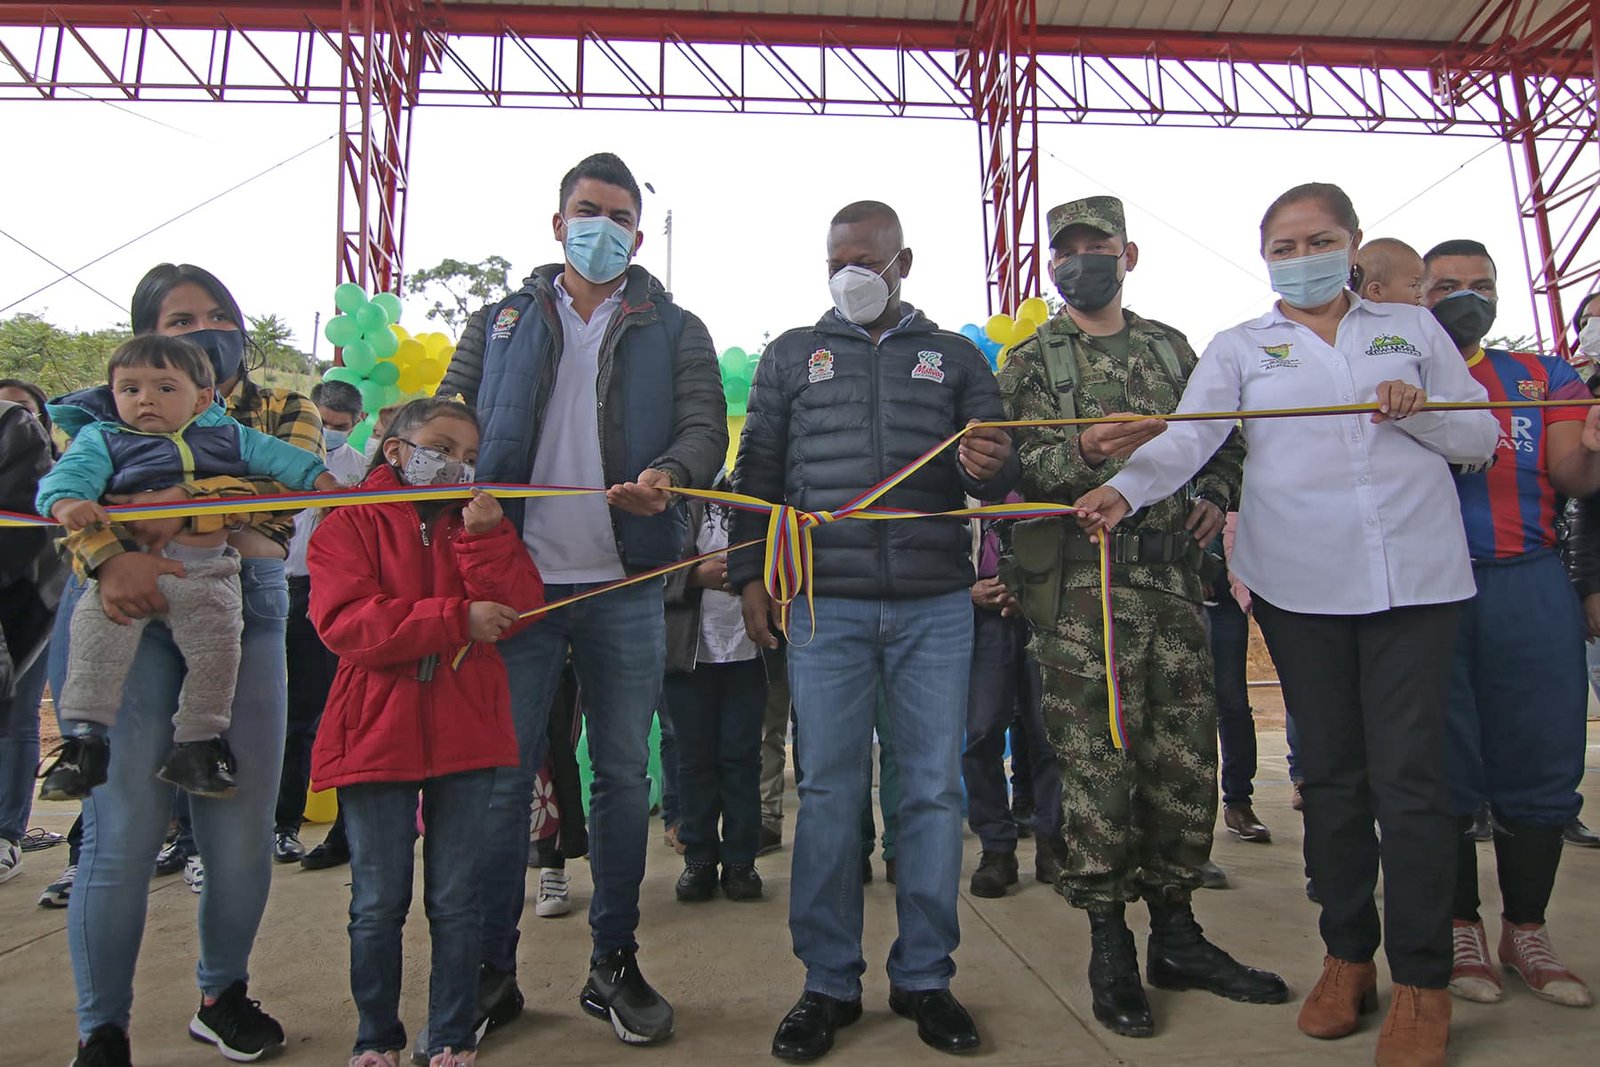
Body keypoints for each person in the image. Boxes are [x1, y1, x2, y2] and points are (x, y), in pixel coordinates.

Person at [1074, 182, 1499, 1067]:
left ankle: (1422, 980)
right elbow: (1189, 437)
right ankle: (1348, 958)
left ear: (1352, 244)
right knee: (1333, 780)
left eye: (1320, 240)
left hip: (1417, 584)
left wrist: (1422, 412)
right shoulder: (1242, 346)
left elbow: (1480, 439)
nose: (1302, 257)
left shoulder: (1411, 331)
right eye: (1285, 245)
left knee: (1413, 783)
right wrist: (1122, 490)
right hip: (1303, 589)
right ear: (1265, 256)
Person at [434, 151, 726, 1049]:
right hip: (513, 586)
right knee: (503, 778)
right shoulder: (499, 322)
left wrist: (669, 474)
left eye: (621, 216)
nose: (604, 228)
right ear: (559, 223)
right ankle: (493, 968)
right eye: (588, 211)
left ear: (637, 234)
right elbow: (445, 422)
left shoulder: (676, 328)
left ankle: (615, 960)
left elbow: (704, 428)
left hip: (625, 581)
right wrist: (442, 471)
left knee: (624, 776)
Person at [731, 200, 1016, 1061]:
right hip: (827, 605)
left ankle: (925, 975)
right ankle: (828, 982)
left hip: (936, 605)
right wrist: (749, 574)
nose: (849, 274)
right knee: (827, 791)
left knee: (930, 791)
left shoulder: (956, 357)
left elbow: (999, 473)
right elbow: (758, 470)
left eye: (865, 259)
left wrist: (992, 465)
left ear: (903, 263)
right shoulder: (792, 356)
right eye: (836, 261)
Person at [998, 194, 1280, 1041]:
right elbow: (1007, 468)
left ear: (1129, 254)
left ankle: (1178, 933)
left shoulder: (1172, 348)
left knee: (1183, 759)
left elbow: (1223, 436)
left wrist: (1217, 492)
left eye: (1097, 245)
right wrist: (1082, 450)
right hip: (1082, 590)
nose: (1081, 260)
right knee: (1097, 761)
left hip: (1172, 583)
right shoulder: (1031, 361)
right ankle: (1109, 940)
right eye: (1066, 249)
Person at [46, 262, 324, 1066]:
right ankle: (102, 1028)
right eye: (179, 320)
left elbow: (274, 505)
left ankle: (222, 993)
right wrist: (114, 555)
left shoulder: (284, 408)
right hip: (122, 605)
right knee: (122, 828)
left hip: (245, 607)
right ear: (145, 336)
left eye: (216, 314)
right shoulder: (94, 411)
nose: (203, 330)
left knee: (238, 823)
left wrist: (157, 512)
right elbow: (68, 497)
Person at [308, 398, 544, 1067]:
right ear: (396, 449)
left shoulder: (476, 522)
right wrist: (454, 620)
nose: (457, 465)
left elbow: (521, 608)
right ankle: (375, 1036)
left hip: (467, 727)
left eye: (469, 456)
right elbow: (347, 622)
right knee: (377, 900)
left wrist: (487, 540)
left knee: (457, 897)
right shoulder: (348, 521)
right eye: (441, 448)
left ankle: (451, 1033)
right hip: (373, 732)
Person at [36, 336, 337, 801]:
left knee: (218, 658)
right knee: (96, 647)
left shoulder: (229, 435)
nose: (145, 400)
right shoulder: (101, 438)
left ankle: (197, 746)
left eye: (164, 388)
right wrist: (67, 502)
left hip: (207, 574)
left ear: (200, 398)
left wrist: (320, 478)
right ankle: (83, 743)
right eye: (130, 389)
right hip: (128, 572)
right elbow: (68, 475)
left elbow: (282, 460)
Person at [1422, 239, 1600, 1010]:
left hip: (1528, 579)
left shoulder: (1542, 376)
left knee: (1543, 755)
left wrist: (1592, 450)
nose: (1467, 297)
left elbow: (1572, 474)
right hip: (1431, 590)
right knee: (1441, 762)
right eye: (1446, 286)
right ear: (1416, 297)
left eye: (1482, 285)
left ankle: (1526, 928)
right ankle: (1460, 924)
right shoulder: (1391, 376)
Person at [274, 379, 369, 863]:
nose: (329, 432)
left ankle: (318, 831)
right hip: (268, 585)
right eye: (322, 422)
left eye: (339, 426)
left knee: (318, 714)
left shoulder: (362, 472)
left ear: (357, 423)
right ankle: (272, 824)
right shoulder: (274, 459)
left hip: (326, 596)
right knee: (270, 714)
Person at [663, 472, 769, 902]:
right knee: (694, 760)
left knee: (742, 760)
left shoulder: (759, 504)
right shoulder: (672, 502)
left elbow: (785, 564)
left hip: (748, 653)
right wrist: (692, 576)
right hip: (689, 658)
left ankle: (741, 862)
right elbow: (644, 572)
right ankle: (700, 859)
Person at [962, 505, 1065, 897]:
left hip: (1050, 606)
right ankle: (997, 849)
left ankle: (1053, 843)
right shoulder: (959, 467)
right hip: (982, 612)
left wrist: (1036, 588)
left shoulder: (1047, 463)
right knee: (981, 731)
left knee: (1051, 729)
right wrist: (966, 589)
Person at [0, 383, 58, 887]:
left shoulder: (20, 436)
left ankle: (6, 833)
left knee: (18, 717)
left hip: (27, 602)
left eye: (26, 407)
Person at [1351, 238, 1425, 305]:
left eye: (1419, 286)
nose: (1420, 294)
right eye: (1413, 285)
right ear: (1376, 291)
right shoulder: (1416, 314)